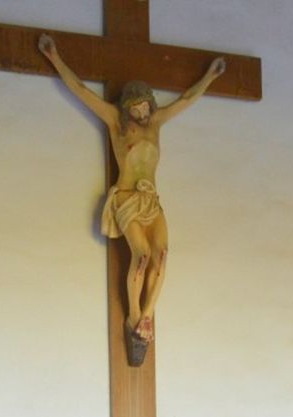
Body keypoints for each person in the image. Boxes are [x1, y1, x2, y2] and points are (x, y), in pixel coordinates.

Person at [37, 34, 226, 360]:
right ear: (125, 108)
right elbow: (81, 91)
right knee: (141, 256)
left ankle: (148, 313)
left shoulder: (157, 122)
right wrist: (55, 58)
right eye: (135, 107)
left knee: (162, 255)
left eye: (144, 106)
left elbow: (185, 99)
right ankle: (133, 315)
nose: (140, 112)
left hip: (152, 201)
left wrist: (210, 75)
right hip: (126, 198)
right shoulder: (115, 121)